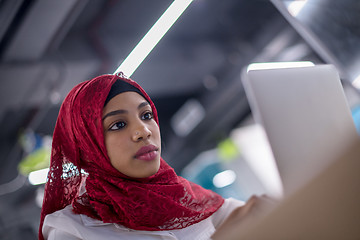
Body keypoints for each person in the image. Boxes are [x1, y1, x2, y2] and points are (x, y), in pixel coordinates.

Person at [39, 72, 270, 240]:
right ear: (88, 146)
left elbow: (241, 214)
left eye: (146, 115)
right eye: (118, 124)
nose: (144, 131)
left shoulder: (186, 196)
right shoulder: (70, 231)